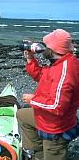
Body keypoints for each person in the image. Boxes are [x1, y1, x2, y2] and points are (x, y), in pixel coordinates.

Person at [16, 29, 79, 160]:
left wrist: (33, 100)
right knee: (22, 115)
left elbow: (57, 106)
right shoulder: (59, 62)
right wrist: (29, 59)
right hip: (46, 117)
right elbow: (42, 76)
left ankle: (50, 152)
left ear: (53, 49)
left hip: (55, 126)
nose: (42, 48)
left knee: (54, 153)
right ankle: (39, 153)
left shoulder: (65, 72)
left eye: (45, 46)